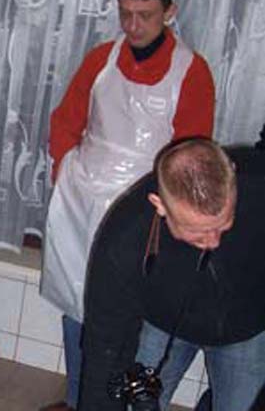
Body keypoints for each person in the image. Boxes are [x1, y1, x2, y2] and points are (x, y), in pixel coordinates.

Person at [39, 0, 215, 411]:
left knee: (128, 316)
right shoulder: (101, 59)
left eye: (145, 15)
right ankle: (78, 396)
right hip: (83, 202)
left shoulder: (192, 72)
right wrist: (64, 171)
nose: (133, 26)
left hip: (144, 213)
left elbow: (191, 158)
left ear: (169, 12)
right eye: (125, 13)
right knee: (77, 303)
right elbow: (66, 120)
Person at [79, 138, 265, 410]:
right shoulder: (124, 238)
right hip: (163, 324)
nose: (213, 241)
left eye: (224, 225)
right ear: (160, 205)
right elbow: (105, 344)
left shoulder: (259, 184)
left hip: (245, 329)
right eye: (198, 233)